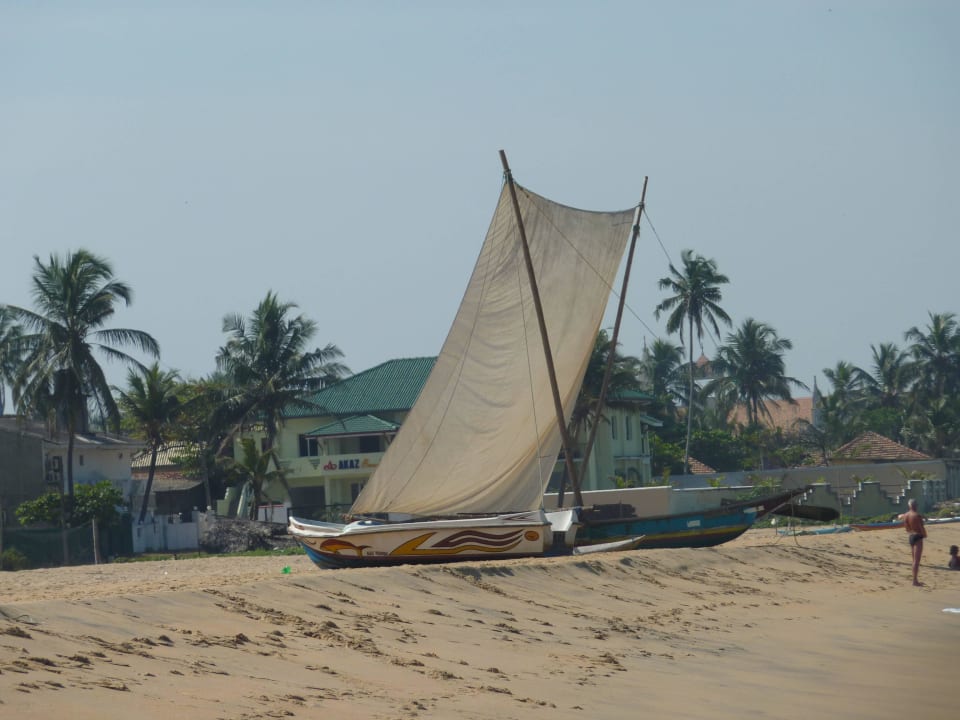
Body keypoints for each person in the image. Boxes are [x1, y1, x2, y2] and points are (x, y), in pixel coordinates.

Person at [901, 499, 927, 586]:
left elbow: (906, 526)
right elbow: (921, 527)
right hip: (918, 536)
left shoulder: (906, 515)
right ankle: (915, 581)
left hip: (911, 536)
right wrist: (924, 535)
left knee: (914, 560)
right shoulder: (917, 515)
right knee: (916, 560)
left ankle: (914, 579)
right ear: (915, 506)